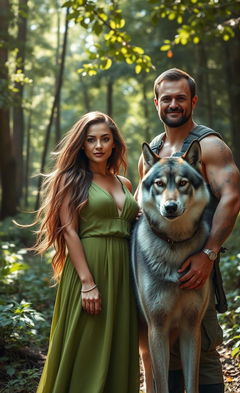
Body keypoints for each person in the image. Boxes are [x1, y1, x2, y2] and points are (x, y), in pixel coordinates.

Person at [136, 68, 240, 393]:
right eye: (166, 98)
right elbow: (143, 208)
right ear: (156, 102)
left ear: (193, 101)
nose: (173, 104)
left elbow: (231, 198)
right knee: (163, 348)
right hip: (156, 268)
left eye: (180, 98)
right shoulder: (152, 151)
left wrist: (208, 254)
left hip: (197, 262)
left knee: (203, 344)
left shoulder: (209, 145)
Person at [33, 111, 140, 393]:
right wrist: (87, 283)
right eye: (91, 140)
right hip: (89, 269)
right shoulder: (71, 180)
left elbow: (130, 223)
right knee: (87, 345)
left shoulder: (125, 184)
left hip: (122, 273)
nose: (98, 146)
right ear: (81, 144)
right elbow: (69, 232)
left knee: (118, 343)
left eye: (105, 139)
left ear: (114, 143)